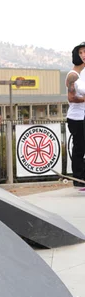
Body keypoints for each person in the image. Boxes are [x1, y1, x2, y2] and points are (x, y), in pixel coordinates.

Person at [65, 42, 85, 189]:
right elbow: (71, 98)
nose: (83, 55)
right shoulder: (73, 75)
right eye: (81, 53)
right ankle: (78, 178)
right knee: (79, 147)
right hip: (76, 118)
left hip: (83, 116)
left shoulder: (82, 74)